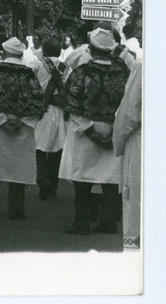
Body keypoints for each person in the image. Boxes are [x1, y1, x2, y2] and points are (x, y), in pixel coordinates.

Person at [59, 28, 130, 236]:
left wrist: (90, 131)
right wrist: (113, 130)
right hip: (112, 130)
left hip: (84, 132)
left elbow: (71, 102)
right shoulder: (123, 72)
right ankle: (108, 222)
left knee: (82, 181)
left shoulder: (82, 72)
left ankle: (82, 222)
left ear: (90, 48)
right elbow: (128, 104)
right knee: (109, 180)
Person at [0, 37, 47, 219]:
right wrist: (21, 120)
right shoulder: (29, 74)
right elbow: (38, 101)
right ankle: (16, 210)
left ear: (4, 52)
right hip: (22, 126)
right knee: (19, 167)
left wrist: (1, 119)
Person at [113, 52, 142, 250]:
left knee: (137, 200)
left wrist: (119, 143)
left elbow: (129, 110)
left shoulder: (144, 64)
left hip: (143, 140)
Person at [34, 37, 67, 200]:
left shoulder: (37, 65)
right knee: (57, 149)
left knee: (39, 148)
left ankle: (42, 179)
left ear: (44, 51)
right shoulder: (65, 68)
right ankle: (53, 184)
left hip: (42, 110)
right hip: (60, 112)